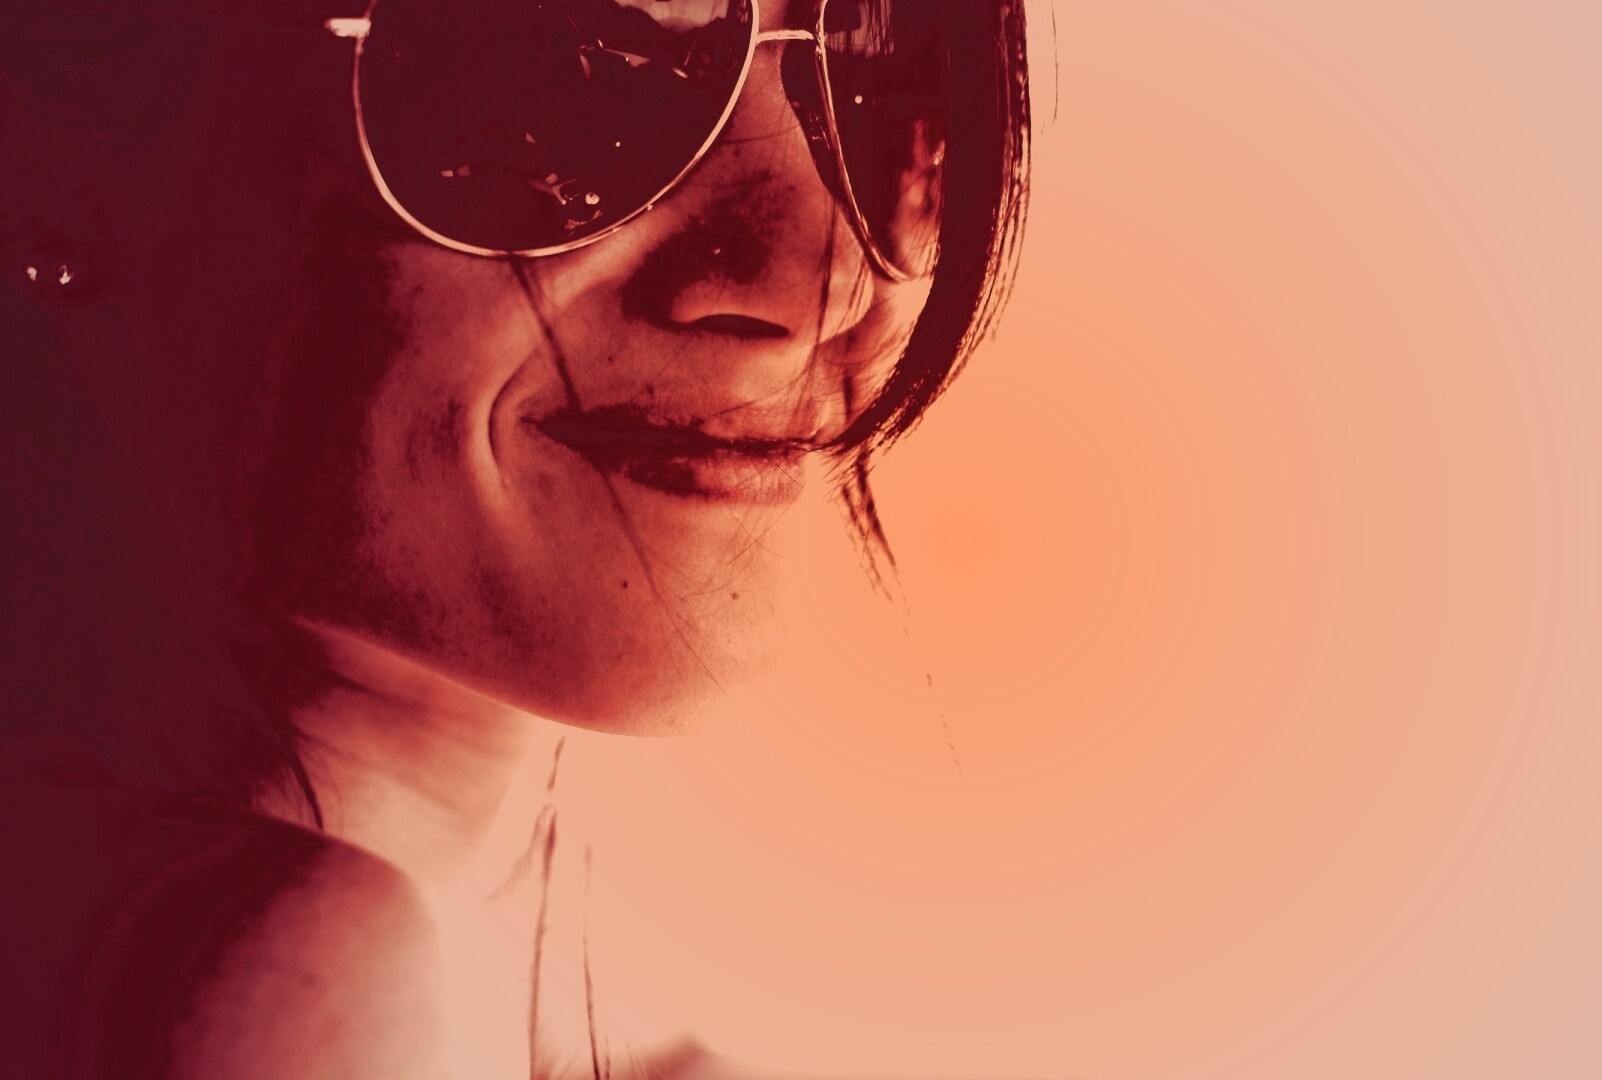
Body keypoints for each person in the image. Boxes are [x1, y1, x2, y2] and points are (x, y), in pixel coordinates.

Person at [0, 0, 1030, 1075]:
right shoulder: (246, 986)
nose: (819, 277)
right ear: (52, 140)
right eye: (574, 53)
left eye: (887, 78)